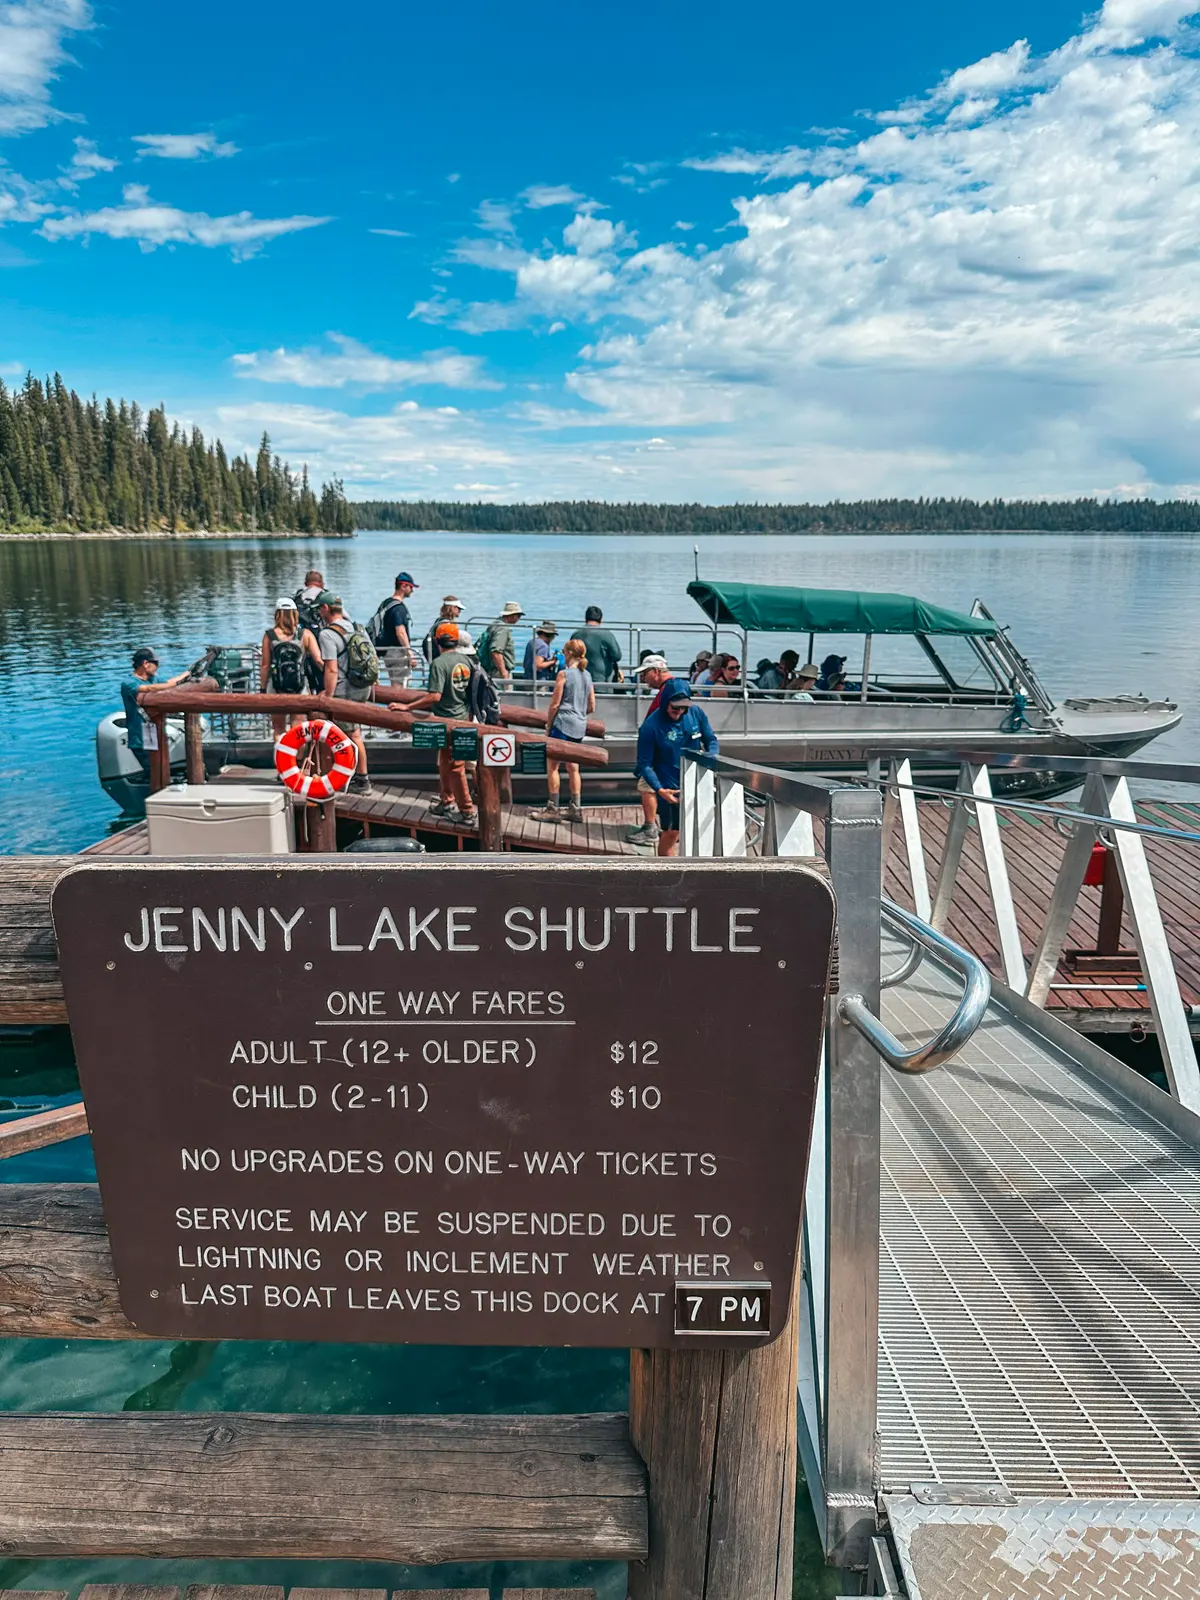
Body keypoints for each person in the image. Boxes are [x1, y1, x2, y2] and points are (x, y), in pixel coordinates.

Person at [634, 683, 719, 857]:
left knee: (701, 828)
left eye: (684, 707)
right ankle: (666, 873)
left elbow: (711, 739)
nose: (679, 711)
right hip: (669, 787)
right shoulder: (650, 726)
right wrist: (659, 789)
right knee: (671, 832)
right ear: (665, 702)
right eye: (675, 707)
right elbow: (644, 764)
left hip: (696, 780)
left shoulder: (696, 714)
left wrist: (712, 757)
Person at [409, 622, 478, 828]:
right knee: (446, 763)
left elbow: (435, 696)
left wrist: (407, 706)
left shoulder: (439, 663)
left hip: (447, 721)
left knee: (455, 767)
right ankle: (446, 801)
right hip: (464, 717)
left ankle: (466, 811)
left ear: (438, 641)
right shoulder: (467, 661)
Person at [626, 655, 688, 845]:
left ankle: (650, 828)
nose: (644, 678)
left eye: (645, 674)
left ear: (655, 671)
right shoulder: (672, 690)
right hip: (666, 750)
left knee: (647, 787)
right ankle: (665, 829)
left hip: (658, 752)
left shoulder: (666, 693)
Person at [532, 637, 595, 825]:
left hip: (562, 724)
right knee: (573, 767)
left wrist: (549, 725)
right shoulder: (587, 675)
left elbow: (555, 704)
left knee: (552, 766)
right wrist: (579, 713)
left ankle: (552, 808)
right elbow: (591, 705)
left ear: (568, 653)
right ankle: (575, 808)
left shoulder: (564, 674)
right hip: (579, 726)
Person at [317, 592, 374, 795]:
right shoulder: (357, 627)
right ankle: (356, 777)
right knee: (353, 732)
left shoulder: (327, 634)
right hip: (362, 688)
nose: (318, 612)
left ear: (325, 609)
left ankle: (360, 780)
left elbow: (331, 668)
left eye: (319, 608)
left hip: (344, 689)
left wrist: (328, 697)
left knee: (350, 735)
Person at [120, 648, 190, 778]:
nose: (158, 667)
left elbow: (168, 683)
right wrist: (177, 683)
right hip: (139, 737)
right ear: (146, 663)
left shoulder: (153, 678)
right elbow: (148, 688)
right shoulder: (128, 683)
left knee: (160, 770)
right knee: (154, 774)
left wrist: (186, 674)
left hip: (152, 733)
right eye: (156, 663)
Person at [260, 598, 321, 736]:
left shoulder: (269, 635)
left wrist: (263, 689)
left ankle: (280, 757)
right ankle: (297, 758)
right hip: (299, 686)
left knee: (278, 729)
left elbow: (265, 665)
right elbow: (318, 660)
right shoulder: (305, 634)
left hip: (276, 687)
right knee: (298, 729)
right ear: (295, 614)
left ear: (277, 614)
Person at [371, 572, 418, 686]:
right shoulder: (398, 608)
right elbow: (400, 632)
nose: (412, 590)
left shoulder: (386, 603)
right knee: (400, 685)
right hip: (397, 652)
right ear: (403, 586)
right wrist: (410, 653)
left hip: (386, 651)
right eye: (410, 587)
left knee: (395, 683)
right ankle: (398, 703)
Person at [570, 606, 623, 684]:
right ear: (601, 619)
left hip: (580, 683)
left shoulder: (576, 635)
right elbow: (617, 656)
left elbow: (569, 655)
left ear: (585, 618)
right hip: (602, 683)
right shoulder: (607, 635)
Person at [482, 600, 522, 684]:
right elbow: (496, 651)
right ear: (512, 615)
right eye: (518, 615)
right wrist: (504, 673)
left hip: (493, 669)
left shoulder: (495, 624)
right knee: (505, 696)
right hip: (499, 672)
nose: (519, 618)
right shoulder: (503, 628)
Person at [422, 595, 464, 662]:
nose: (460, 611)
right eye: (458, 608)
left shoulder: (439, 621)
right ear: (452, 608)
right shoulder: (445, 624)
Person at [294, 570, 325, 636]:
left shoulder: (296, 595)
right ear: (322, 584)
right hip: (320, 635)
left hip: (298, 634)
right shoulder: (326, 596)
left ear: (305, 583)